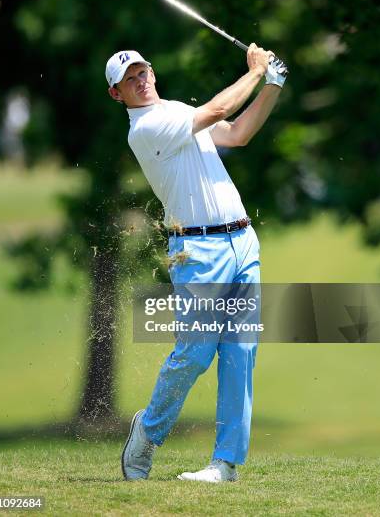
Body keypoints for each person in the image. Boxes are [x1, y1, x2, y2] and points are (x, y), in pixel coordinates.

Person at [106, 46, 288, 482]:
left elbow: (238, 132)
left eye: (144, 70)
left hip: (242, 242)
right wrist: (257, 71)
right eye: (130, 79)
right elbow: (220, 108)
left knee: (240, 354)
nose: (141, 80)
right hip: (198, 253)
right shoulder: (147, 128)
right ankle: (147, 432)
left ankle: (225, 464)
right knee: (195, 354)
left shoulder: (175, 110)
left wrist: (273, 85)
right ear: (117, 95)